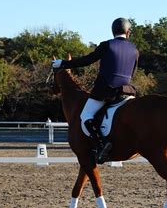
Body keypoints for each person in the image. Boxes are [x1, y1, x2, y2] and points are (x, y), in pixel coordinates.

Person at [52, 17, 139, 163]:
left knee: (86, 115)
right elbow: (133, 72)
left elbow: (87, 60)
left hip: (106, 90)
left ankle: (102, 144)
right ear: (128, 32)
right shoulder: (135, 49)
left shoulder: (107, 45)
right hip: (127, 90)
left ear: (113, 31)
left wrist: (64, 64)